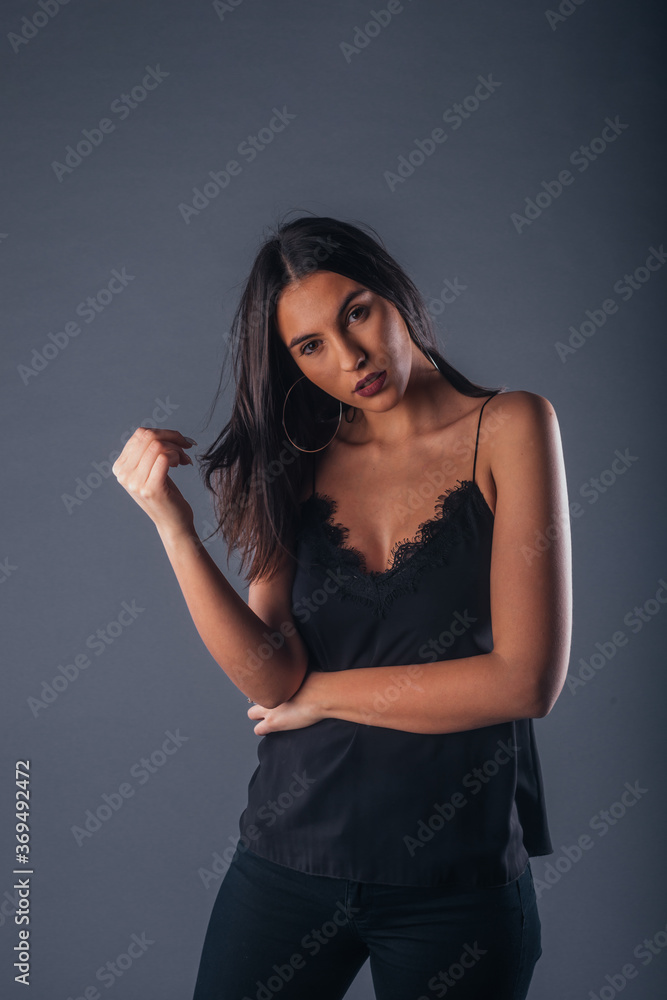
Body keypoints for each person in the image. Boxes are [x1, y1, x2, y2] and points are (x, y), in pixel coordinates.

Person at [112, 214, 572, 999]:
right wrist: (175, 532)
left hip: (453, 882)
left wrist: (319, 696)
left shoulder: (510, 426)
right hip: (289, 860)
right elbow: (270, 676)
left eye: (356, 311)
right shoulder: (296, 462)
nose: (350, 356)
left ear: (395, 293)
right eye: (310, 345)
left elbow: (524, 681)